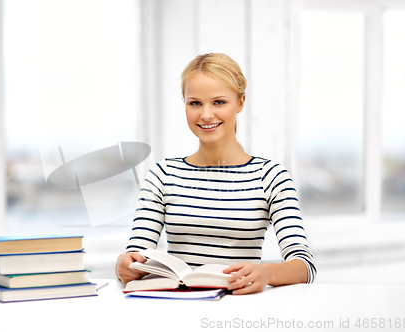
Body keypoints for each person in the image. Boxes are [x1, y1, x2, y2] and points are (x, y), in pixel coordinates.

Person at [115, 53, 316, 295]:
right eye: (195, 103)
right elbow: (137, 252)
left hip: (240, 309)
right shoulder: (162, 175)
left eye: (219, 102)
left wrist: (266, 273)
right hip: (175, 307)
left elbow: (305, 266)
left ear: (240, 102)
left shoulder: (271, 176)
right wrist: (125, 264)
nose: (206, 115)